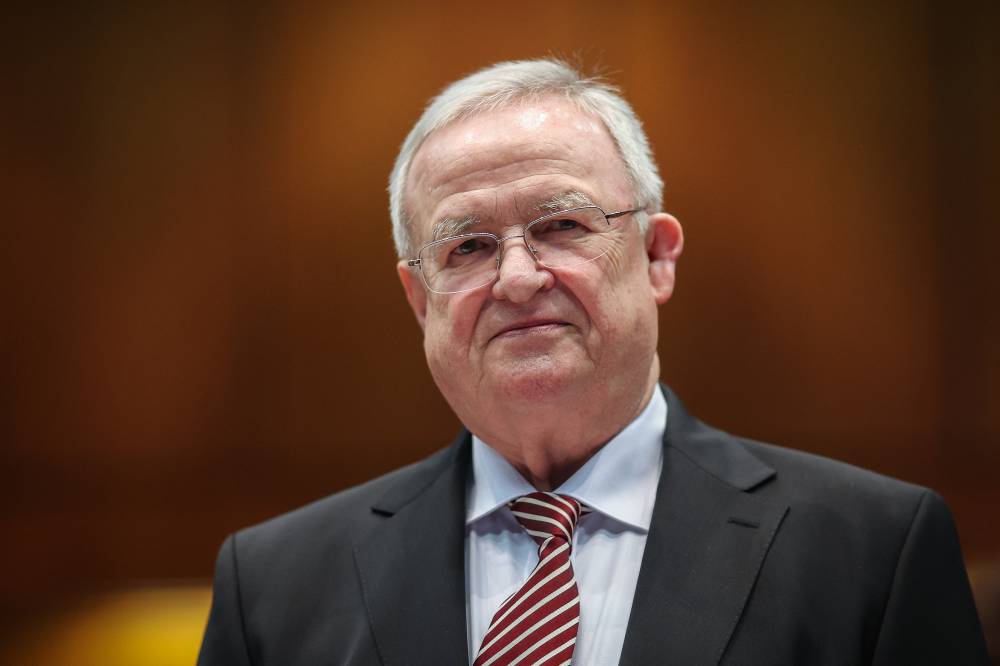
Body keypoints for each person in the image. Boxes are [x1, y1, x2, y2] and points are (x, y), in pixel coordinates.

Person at [198, 59, 988, 665]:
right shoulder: (274, 585)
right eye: (467, 246)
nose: (516, 277)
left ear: (656, 256)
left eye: (562, 226)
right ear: (419, 299)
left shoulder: (870, 552)